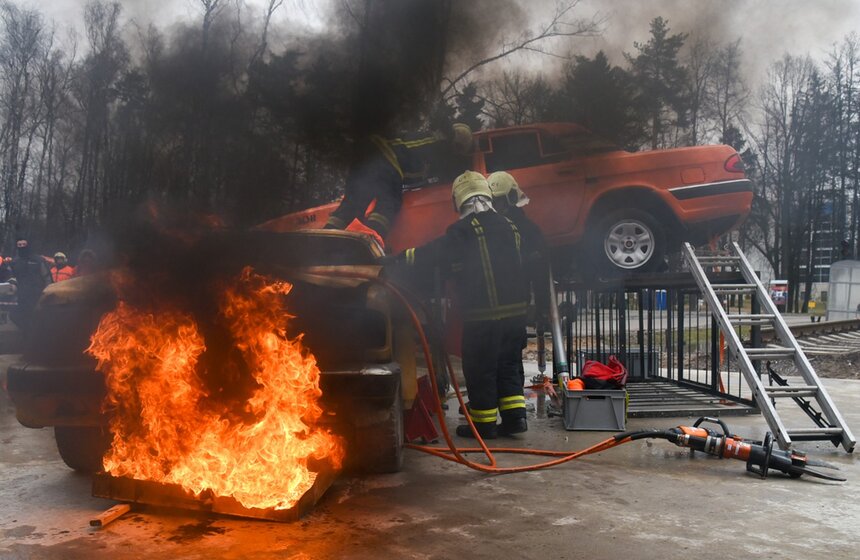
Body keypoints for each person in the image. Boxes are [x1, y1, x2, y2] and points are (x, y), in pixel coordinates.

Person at [388, 171, 529, 439]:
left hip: (483, 318)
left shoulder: (464, 230)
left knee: (480, 369)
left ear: (459, 200)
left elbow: (434, 253)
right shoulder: (510, 226)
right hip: (515, 318)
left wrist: (400, 259)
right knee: (508, 365)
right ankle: (515, 419)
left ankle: (484, 425)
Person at [324, 123, 474, 242]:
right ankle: (369, 241)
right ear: (455, 143)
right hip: (385, 153)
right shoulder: (440, 142)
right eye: (458, 150)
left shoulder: (428, 151)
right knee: (390, 201)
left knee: (354, 202)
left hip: (365, 153)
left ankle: (325, 238)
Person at [8, 238, 53, 333]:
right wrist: (12, 285)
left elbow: (47, 277)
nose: (21, 247)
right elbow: (11, 277)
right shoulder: (14, 262)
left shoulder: (38, 260)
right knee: (15, 315)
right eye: (19, 245)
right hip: (22, 295)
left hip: (39, 295)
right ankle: (27, 334)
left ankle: (40, 336)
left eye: (23, 244)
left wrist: (47, 292)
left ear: (28, 245)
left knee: (39, 319)